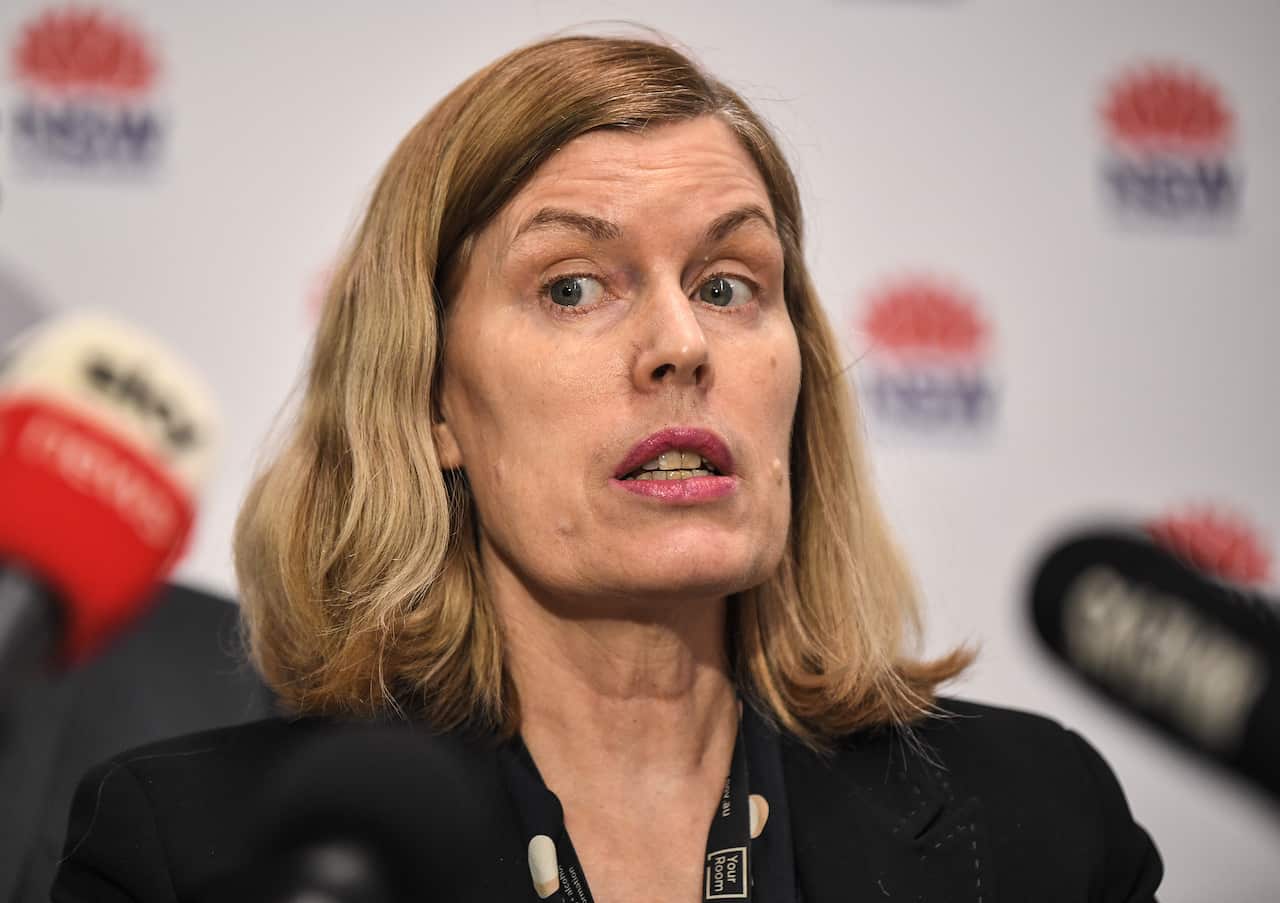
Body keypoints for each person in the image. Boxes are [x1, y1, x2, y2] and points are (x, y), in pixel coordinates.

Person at [51, 33, 1162, 903]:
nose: (682, 343)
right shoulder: (193, 852)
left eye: (727, 285)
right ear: (429, 399)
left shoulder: (1041, 823)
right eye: (573, 286)